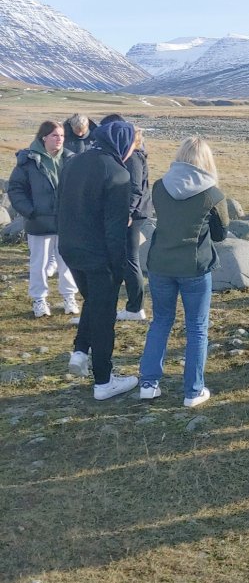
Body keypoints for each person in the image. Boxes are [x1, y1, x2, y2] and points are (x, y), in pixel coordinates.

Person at [138, 137, 228, 407]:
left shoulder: (159, 187)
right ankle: (193, 391)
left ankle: (148, 383)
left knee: (160, 322)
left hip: (160, 265)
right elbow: (221, 233)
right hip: (195, 267)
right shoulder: (213, 194)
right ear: (207, 160)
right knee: (197, 328)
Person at [57, 121, 138, 400]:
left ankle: (80, 352)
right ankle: (104, 381)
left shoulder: (73, 162)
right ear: (122, 143)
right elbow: (115, 230)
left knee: (93, 301)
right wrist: (119, 269)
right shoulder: (118, 173)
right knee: (104, 315)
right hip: (99, 255)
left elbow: (62, 207)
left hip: (69, 249)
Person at [7, 120, 79, 318]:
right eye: (55, 135)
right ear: (44, 137)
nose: (60, 139)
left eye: (62, 136)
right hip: (39, 221)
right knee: (39, 262)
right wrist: (30, 211)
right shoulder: (28, 160)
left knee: (67, 261)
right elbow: (15, 189)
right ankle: (39, 299)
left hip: (65, 221)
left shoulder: (71, 159)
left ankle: (69, 297)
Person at [116, 124, 151, 321]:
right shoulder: (136, 156)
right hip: (135, 212)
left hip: (133, 215)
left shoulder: (134, 158)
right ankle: (134, 306)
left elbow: (136, 188)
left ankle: (135, 307)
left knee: (130, 259)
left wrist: (128, 212)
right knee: (129, 258)